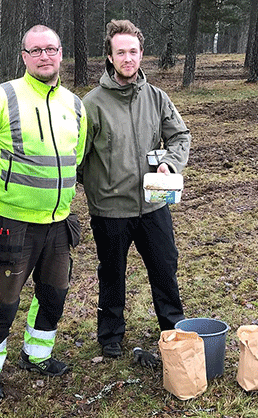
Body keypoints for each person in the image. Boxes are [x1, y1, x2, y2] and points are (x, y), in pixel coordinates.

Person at [0, 25, 87, 401]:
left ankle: (38, 356)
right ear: (24, 56)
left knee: (54, 296)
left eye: (51, 49)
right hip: (12, 224)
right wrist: (3, 184)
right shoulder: (0, 98)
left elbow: (75, 158)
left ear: (62, 53)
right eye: (36, 51)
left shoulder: (75, 106)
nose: (44, 56)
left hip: (59, 223)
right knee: (3, 302)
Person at [80, 20, 190, 365]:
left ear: (142, 54)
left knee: (164, 268)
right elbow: (77, 157)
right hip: (110, 210)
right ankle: (110, 337)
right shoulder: (91, 105)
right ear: (109, 58)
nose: (128, 58)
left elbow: (180, 137)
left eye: (133, 52)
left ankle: (173, 331)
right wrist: (101, 183)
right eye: (120, 52)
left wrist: (170, 165)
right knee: (111, 273)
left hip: (154, 204)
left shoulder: (157, 98)